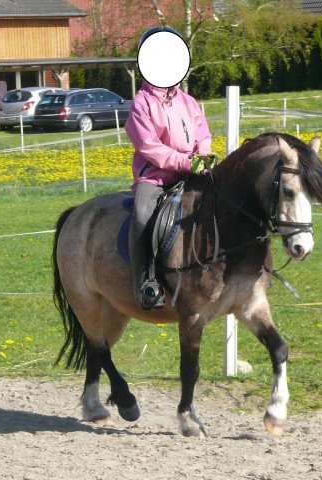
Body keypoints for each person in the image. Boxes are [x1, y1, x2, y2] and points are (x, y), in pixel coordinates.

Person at [125, 26, 213, 310]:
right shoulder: (141, 104)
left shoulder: (189, 101)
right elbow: (149, 147)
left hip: (194, 172)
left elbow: (203, 134)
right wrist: (187, 162)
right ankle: (145, 282)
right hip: (156, 178)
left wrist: (203, 155)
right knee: (141, 216)